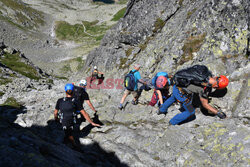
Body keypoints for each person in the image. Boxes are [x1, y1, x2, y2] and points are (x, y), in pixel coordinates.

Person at [158, 67, 229, 125]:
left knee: (173, 97)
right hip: (182, 94)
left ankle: (162, 110)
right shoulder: (203, 89)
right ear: (216, 86)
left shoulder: (206, 72)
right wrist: (218, 112)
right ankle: (172, 122)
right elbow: (205, 105)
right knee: (190, 112)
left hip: (176, 84)